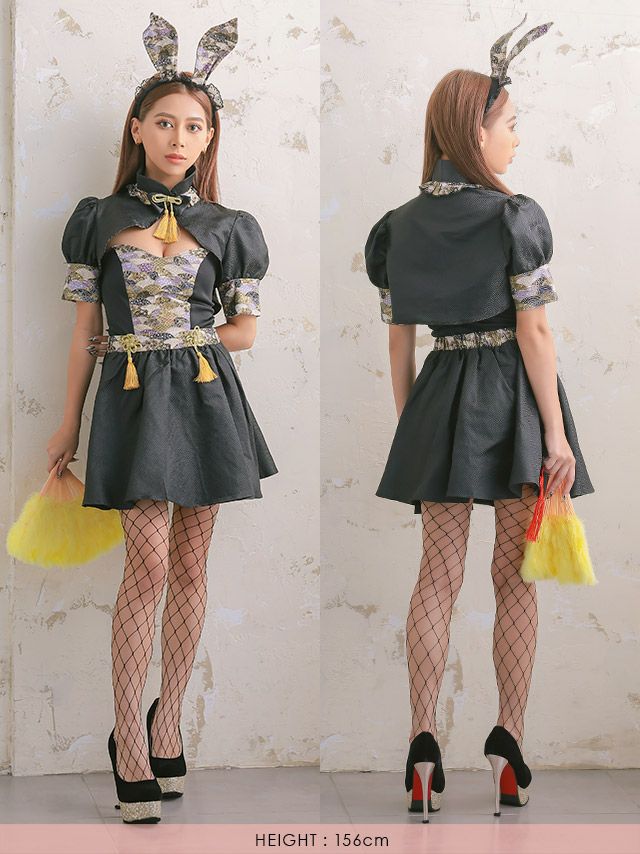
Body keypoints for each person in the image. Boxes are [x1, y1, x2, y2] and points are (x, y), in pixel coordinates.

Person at [45, 14, 277, 823]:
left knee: (191, 567)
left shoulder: (231, 227)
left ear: (210, 138)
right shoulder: (98, 218)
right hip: (132, 399)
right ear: (137, 128)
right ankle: (128, 742)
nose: (181, 138)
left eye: (196, 127)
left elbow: (245, 331)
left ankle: (167, 718)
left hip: (208, 397)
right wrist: (67, 425)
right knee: (146, 567)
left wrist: (180, 336)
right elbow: (84, 332)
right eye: (167, 123)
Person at [364, 15, 594, 822]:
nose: (517, 138)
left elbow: (399, 341)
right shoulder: (514, 216)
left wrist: (412, 428)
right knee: (514, 577)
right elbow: (535, 333)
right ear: (476, 129)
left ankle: (422, 745)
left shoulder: (395, 228)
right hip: (514, 400)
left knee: (436, 575)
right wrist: (556, 435)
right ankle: (507, 745)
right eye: (511, 123)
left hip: (439, 396)